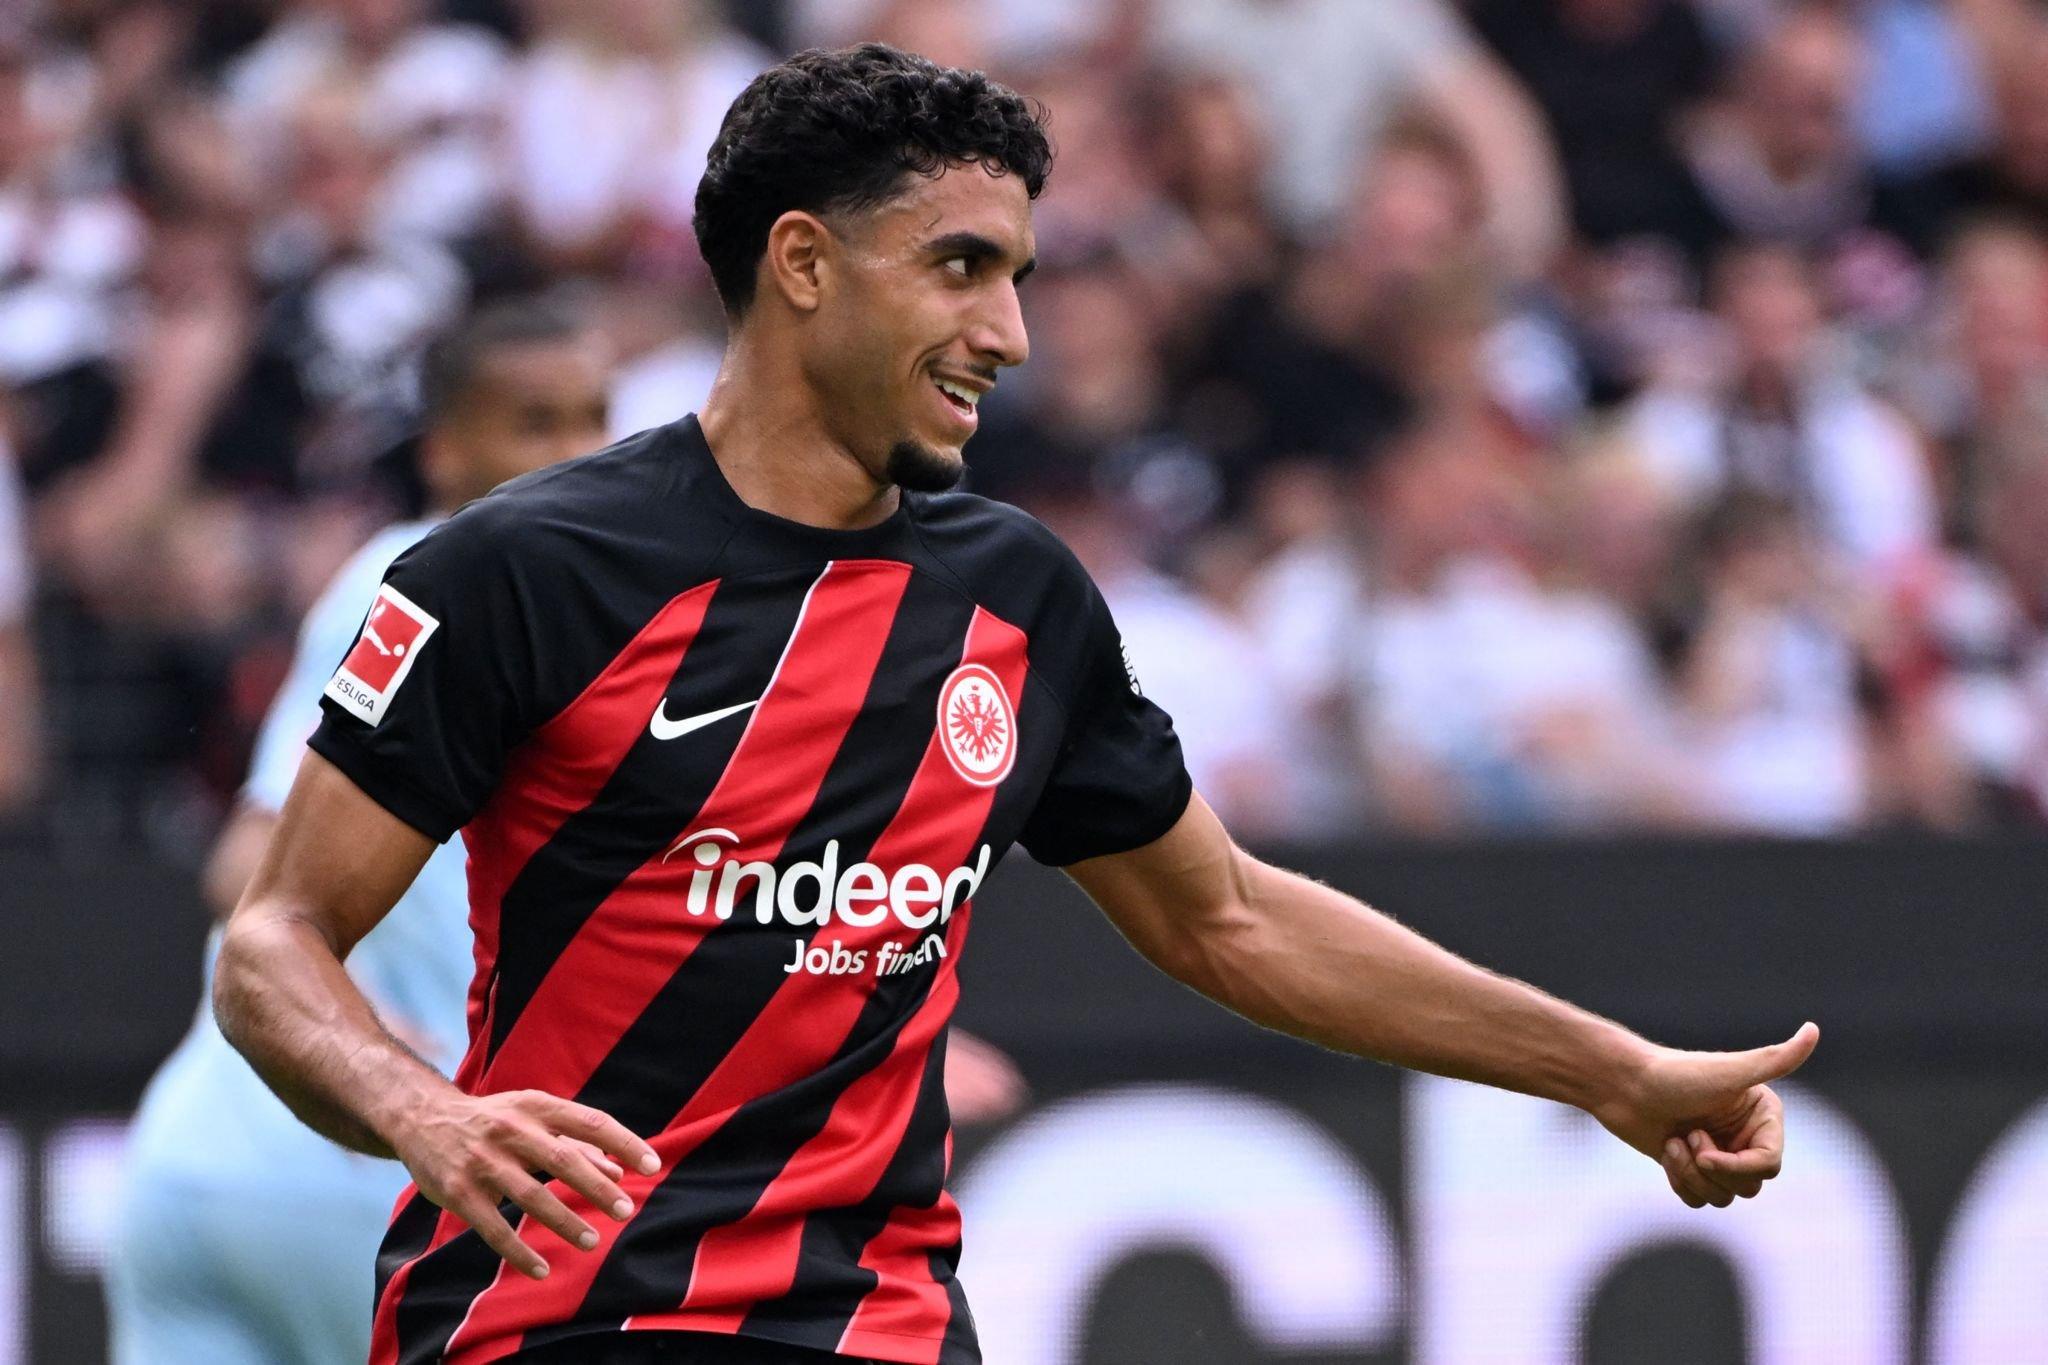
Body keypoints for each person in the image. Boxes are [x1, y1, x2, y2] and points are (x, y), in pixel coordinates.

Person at [212, 44, 1819, 1365]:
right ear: (803, 264)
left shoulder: (1015, 597)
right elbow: (273, 943)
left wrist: (1608, 1071)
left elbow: (1230, 917)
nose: (1010, 333)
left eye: (1020, 276)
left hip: (881, 1325)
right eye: (962, 268)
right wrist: (425, 1115)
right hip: (572, 1319)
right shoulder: (520, 574)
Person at [104, 296, 615, 1365]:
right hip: (360, 1176)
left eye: (592, 418)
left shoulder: (425, 587)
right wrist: (362, 1029)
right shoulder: (428, 583)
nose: (574, 453)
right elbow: (246, 865)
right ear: (443, 451)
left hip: (201, 1172)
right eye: (533, 422)